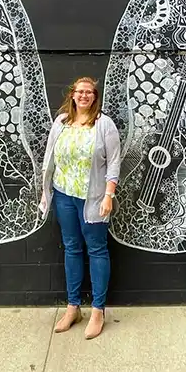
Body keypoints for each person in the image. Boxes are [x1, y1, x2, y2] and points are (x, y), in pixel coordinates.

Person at [40, 77, 121, 340]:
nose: (84, 95)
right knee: (72, 247)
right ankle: (73, 307)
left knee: (97, 249)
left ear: (95, 97)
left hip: (93, 198)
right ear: (72, 95)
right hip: (64, 195)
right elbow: (49, 157)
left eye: (89, 92)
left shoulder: (103, 124)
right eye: (80, 91)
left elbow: (114, 163)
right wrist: (46, 191)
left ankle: (98, 310)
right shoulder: (61, 122)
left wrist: (109, 195)